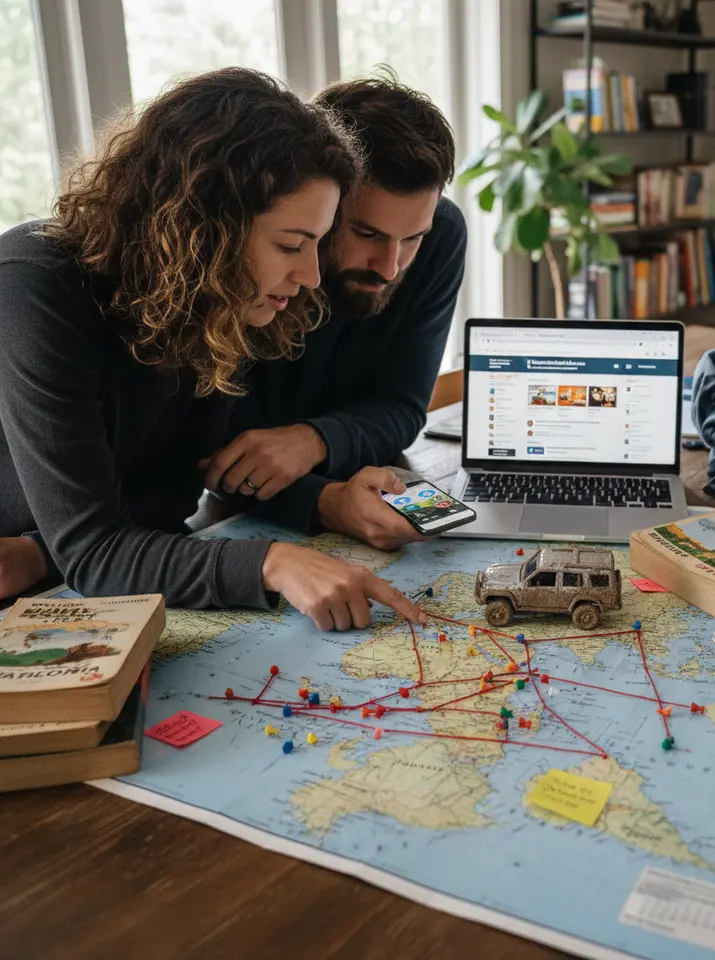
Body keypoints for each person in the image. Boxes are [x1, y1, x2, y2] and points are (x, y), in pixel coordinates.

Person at [0, 68, 424, 632]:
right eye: (292, 245)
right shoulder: (34, 289)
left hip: (64, 577)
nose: (310, 275)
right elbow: (98, 553)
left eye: (318, 244)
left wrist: (327, 498)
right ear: (206, 226)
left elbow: (173, 494)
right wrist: (274, 563)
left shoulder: (219, 294)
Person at [201, 75, 467, 552]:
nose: (390, 267)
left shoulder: (443, 235)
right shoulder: (251, 256)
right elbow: (216, 450)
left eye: (412, 238)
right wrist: (324, 500)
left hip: (371, 481)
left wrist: (314, 440)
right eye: (367, 233)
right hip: (236, 511)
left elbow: (403, 405)